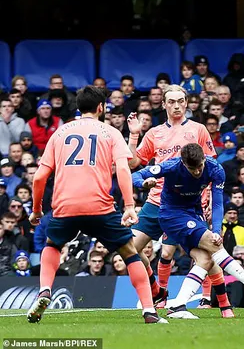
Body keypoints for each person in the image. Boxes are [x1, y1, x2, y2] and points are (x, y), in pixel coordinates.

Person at [26, 86, 166, 324]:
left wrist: (37, 210)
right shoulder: (110, 132)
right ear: (101, 108)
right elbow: (123, 168)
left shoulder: (59, 134)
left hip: (65, 206)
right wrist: (130, 205)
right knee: (130, 253)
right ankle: (149, 311)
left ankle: (44, 291)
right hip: (100, 206)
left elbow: (39, 177)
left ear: (79, 107)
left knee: (52, 245)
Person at [132, 143, 244, 319]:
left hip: (195, 215)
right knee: (211, 246)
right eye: (191, 168)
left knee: (205, 259)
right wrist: (143, 182)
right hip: (171, 215)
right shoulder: (171, 166)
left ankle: (178, 306)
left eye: (199, 167)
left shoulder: (215, 169)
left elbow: (217, 203)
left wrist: (216, 229)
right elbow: (135, 174)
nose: (197, 172)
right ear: (183, 163)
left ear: (204, 159)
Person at [126, 85, 228, 311]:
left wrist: (209, 197)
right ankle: (156, 290)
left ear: (187, 103)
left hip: (189, 202)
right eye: (171, 101)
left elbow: (211, 165)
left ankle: (217, 302)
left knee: (204, 250)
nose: (177, 105)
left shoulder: (198, 129)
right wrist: (134, 135)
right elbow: (133, 164)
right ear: (163, 104)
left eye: (181, 101)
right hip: (156, 200)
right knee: (130, 249)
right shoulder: (154, 133)